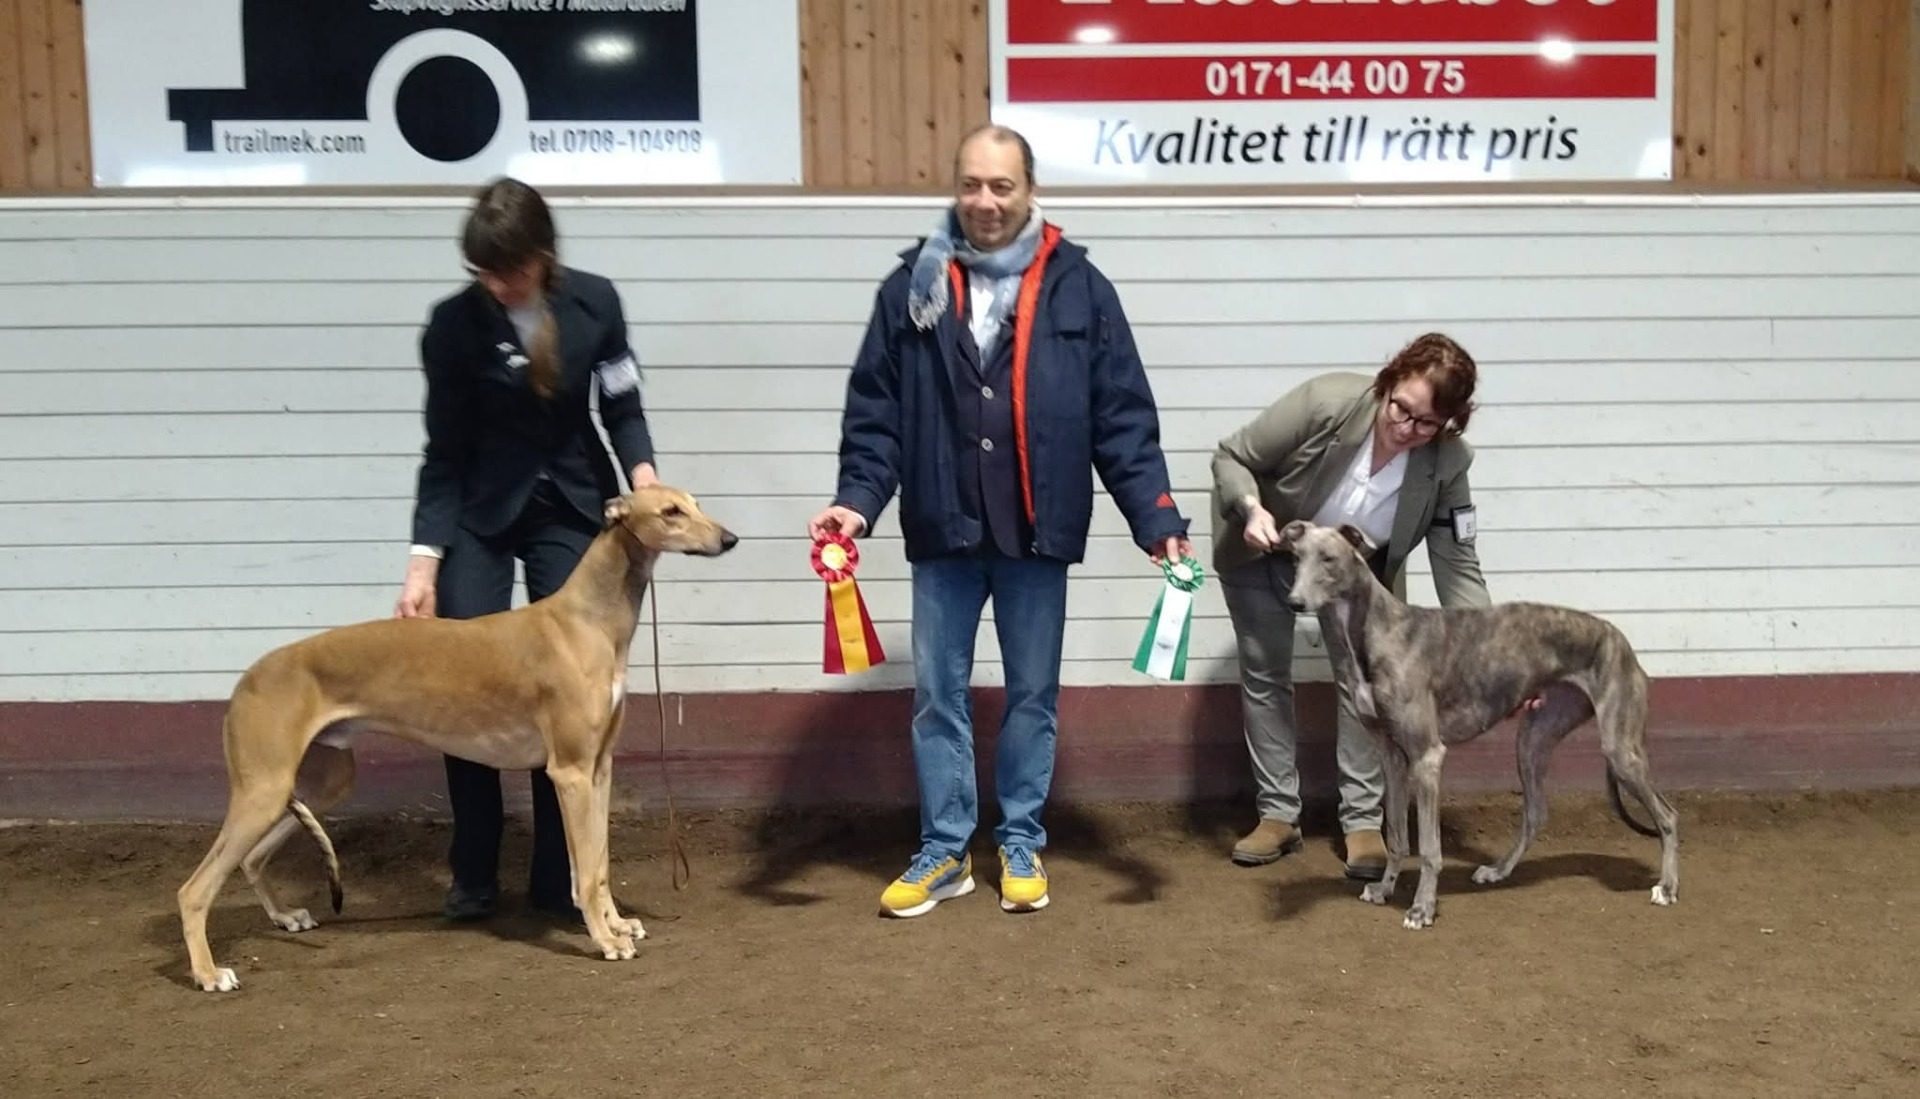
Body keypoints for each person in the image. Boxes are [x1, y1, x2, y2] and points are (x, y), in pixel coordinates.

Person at [809, 124, 1191, 918]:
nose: (985, 201)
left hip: (1035, 532)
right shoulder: (908, 287)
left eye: (1002, 186)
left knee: (1032, 697)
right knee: (937, 697)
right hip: (941, 528)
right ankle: (945, 850)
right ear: (957, 188)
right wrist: (857, 500)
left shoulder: (1082, 288)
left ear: (1030, 190)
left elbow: (1122, 414)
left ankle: (1020, 839)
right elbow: (875, 414)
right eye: (972, 185)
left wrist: (1156, 515)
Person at [394, 176, 659, 922]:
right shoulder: (451, 327)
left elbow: (622, 404)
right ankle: (474, 871)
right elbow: (443, 451)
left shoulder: (596, 303)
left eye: (508, 270)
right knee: (463, 683)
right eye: (482, 271)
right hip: (480, 513)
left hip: (572, 504)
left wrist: (644, 482)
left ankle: (558, 878)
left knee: (569, 694)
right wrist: (424, 561)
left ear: (542, 255)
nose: (496, 284)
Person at [1210, 333, 1504, 880]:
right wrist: (1251, 509)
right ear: (1387, 383)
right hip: (1266, 546)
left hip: (1357, 574)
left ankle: (1363, 822)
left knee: (1366, 686)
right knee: (1266, 674)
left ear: (1449, 423)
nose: (1406, 428)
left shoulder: (1448, 463)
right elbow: (1233, 456)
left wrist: (1495, 647)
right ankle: (1278, 814)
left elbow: (1458, 562)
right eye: (1401, 408)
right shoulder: (1326, 403)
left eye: (1426, 423)